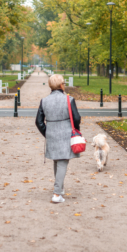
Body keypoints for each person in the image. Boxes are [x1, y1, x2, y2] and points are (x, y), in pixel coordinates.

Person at [36, 74, 81, 203]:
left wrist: (47, 132)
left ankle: (59, 189)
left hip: (51, 134)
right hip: (66, 133)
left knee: (57, 161)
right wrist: (76, 130)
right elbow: (77, 118)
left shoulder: (44, 101)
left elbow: (38, 122)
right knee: (62, 162)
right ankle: (57, 194)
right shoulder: (69, 99)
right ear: (61, 85)